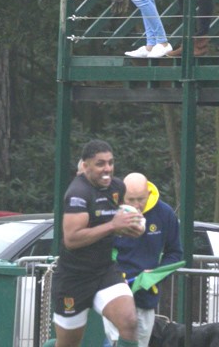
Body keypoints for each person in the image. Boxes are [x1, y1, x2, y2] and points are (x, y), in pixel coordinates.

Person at [52, 140, 145, 347]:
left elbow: (119, 219)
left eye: (110, 163)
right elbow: (72, 239)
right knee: (68, 344)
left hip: (104, 271)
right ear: (85, 166)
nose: (107, 169)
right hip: (74, 278)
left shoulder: (117, 187)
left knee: (129, 322)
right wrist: (113, 225)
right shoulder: (78, 193)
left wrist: (132, 226)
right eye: (100, 164)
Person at [103, 173, 182, 347]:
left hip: (146, 295)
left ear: (148, 194)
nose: (136, 205)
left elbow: (175, 253)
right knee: (117, 342)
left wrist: (156, 274)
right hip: (115, 291)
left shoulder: (164, 213)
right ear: (122, 195)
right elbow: (102, 251)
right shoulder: (110, 212)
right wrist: (114, 275)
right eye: (130, 200)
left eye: (141, 199)